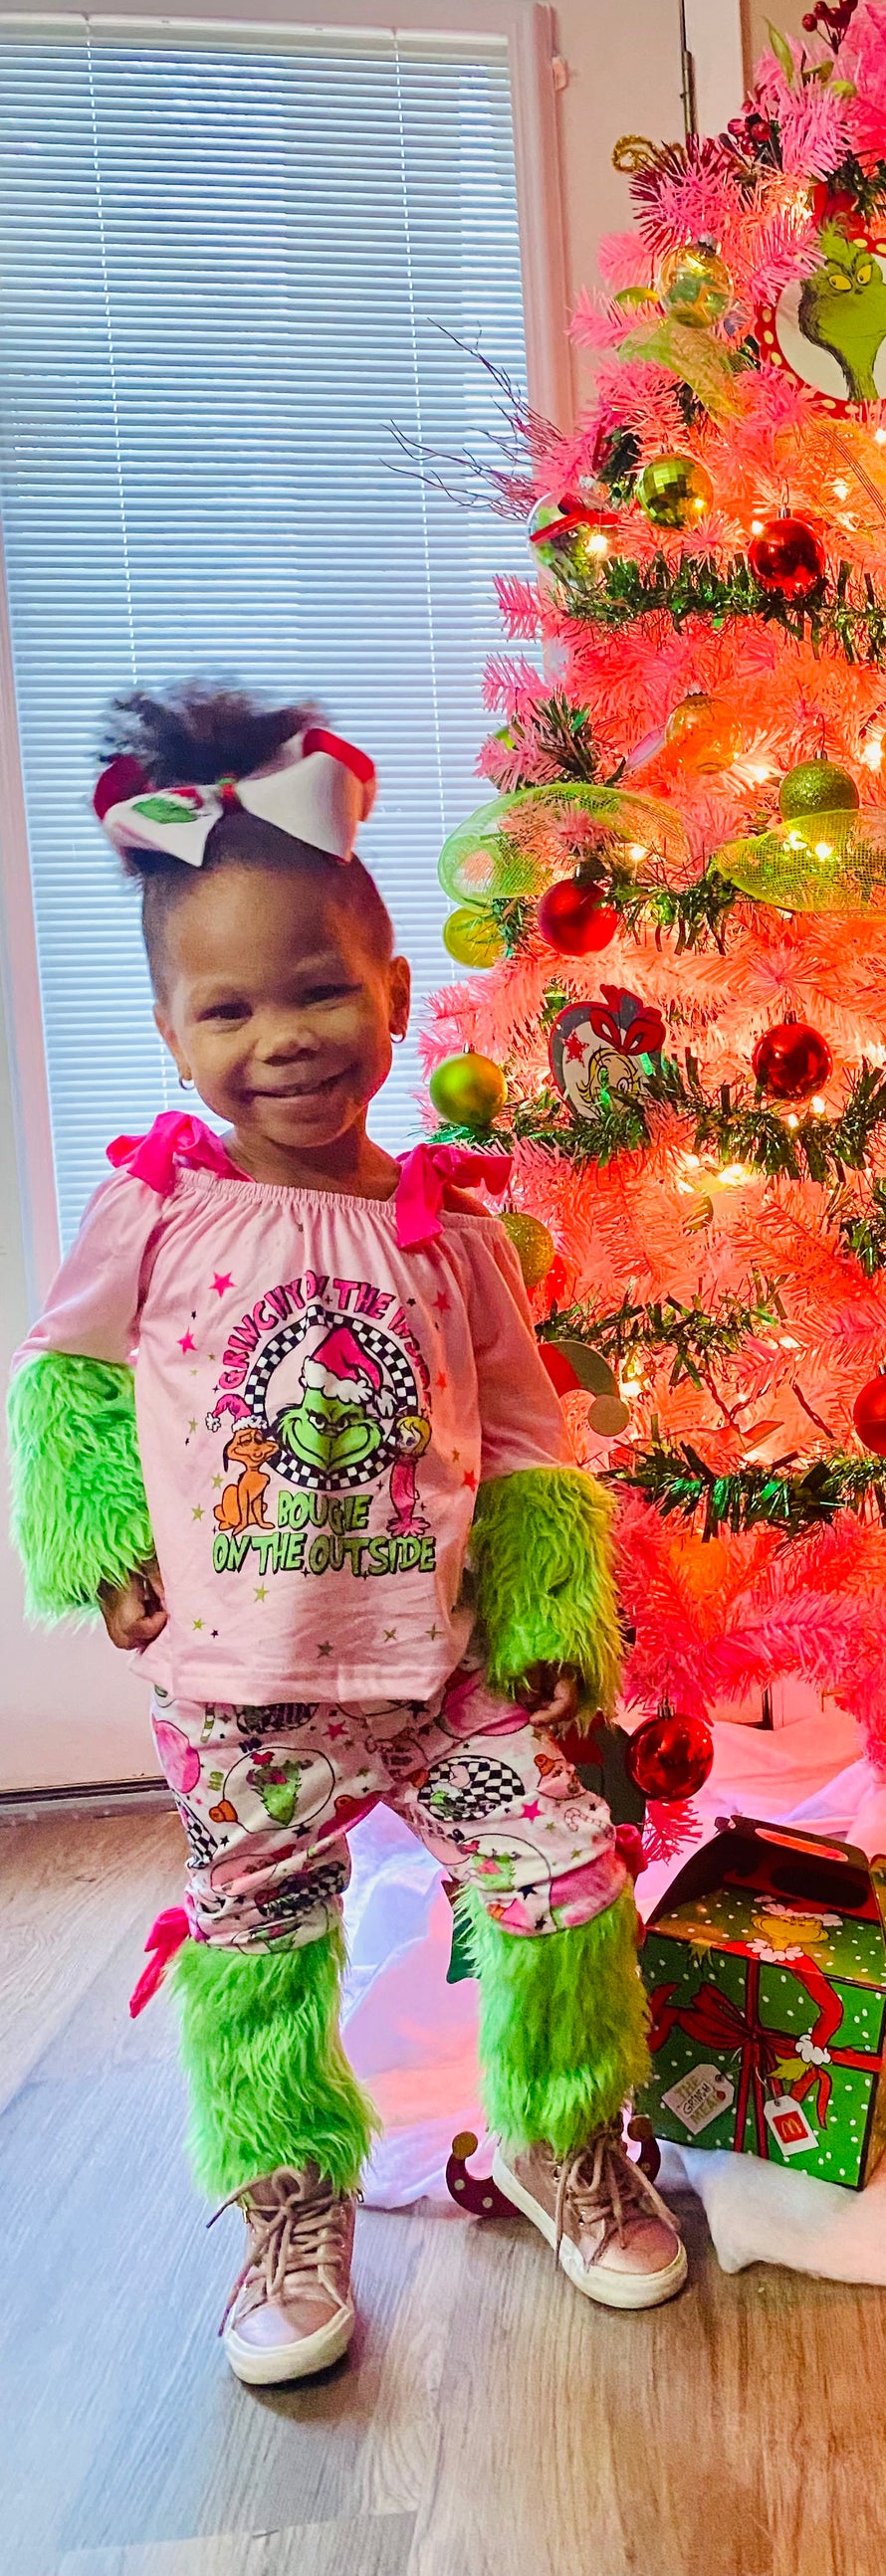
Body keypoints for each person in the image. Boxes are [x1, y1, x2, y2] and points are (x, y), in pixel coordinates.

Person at [7, 683, 684, 2385]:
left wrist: (546, 1613)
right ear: (172, 1035)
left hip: (438, 1668)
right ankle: (289, 2201)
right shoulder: (158, 1204)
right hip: (244, 1692)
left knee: (564, 1877)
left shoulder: (448, 1228)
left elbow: (521, 1435)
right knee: (257, 1942)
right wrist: (102, 1535)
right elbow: (69, 1376)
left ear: (389, 992)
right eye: (228, 1009)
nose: (285, 1038)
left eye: (319, 990)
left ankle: (556, 2137)